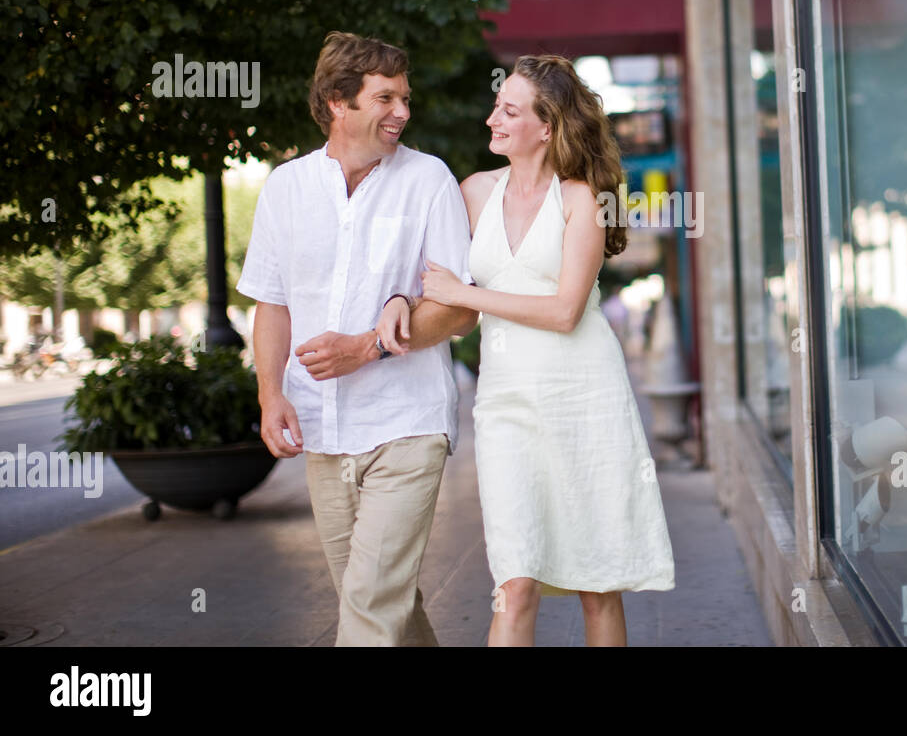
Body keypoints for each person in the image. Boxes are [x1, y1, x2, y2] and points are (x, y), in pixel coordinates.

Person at [377, 55, 675, 646]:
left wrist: (471, 292)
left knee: (597, 581)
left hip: (584, 398)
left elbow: (566, 312)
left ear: (548, 126)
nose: (492, 119)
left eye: (509, 110)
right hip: (507, 403)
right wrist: (396, 301)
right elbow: (431, 283)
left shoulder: (581, 198)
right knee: (514, 582)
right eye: (496, 106)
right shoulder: (473, 194)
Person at [236, 31, 477, 646]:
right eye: (386, 98)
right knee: (378, 598)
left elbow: (458, 311)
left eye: (405, 98)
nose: (403, 112)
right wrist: (270, 394)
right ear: (338, 102)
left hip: (408, 422)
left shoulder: (428, 181)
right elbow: (272, 303)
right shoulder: (285, 188)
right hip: (324, 429)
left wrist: (365, 346)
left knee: (369, 603)